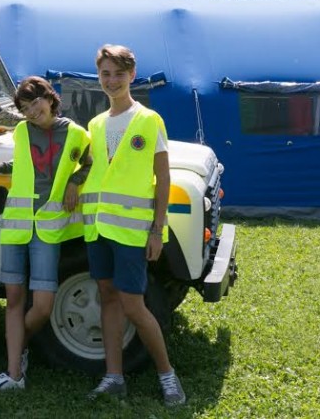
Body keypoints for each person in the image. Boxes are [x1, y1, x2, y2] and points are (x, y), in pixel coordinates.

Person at [0, 77, 91, 391]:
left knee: (43, 305)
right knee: (13, 299)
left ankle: (15, 345)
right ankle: (14, 374)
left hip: (49, 228)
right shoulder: (22, 131)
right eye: (24, 109)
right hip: (16, 224)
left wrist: (75, 182)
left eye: (34, 103)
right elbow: (23, 163)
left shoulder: (77, 133)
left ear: (49, 98)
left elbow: (91, 162)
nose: (31, 111)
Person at [82, 45, 186, 407]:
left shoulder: (148, 120)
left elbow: (163, 177)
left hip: (131, 232)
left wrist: (158, 230)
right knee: (107, 298)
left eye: (118, 74)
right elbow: (91, 171)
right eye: (105, 74)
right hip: (98, 230)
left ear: (131, 75)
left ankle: (167, 376)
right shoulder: (95, 125)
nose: (111, 81)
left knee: (134, 306)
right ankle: (113, 377)